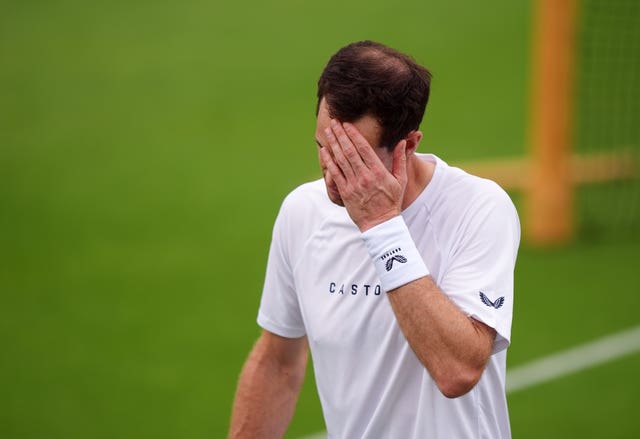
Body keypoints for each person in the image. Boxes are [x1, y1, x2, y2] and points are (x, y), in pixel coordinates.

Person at [228, 40, 520, 439]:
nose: (333, 175)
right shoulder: (302, 213)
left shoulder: (479, 209)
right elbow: (279, 362)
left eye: (356, 158)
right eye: (325, 149)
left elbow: (458, 371)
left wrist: (381, 225)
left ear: (409, 144)